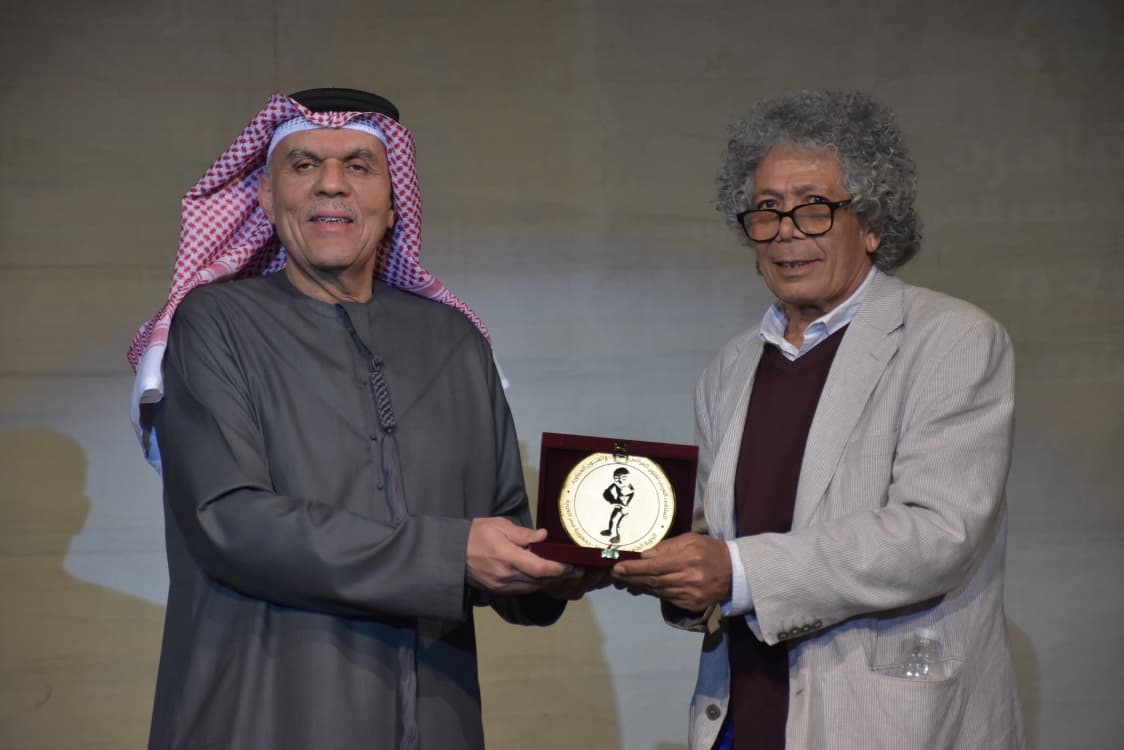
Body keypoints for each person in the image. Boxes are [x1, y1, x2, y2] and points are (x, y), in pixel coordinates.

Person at [127, 88, 599, 750]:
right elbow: (229, 520)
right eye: (303, 164)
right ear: (265, 195)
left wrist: (558, 569)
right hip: (262, 715)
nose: (331, 184)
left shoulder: (454, 343)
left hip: (436, 719)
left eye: (358, 165)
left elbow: (501, 524)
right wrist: (451, 554)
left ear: (392, 197)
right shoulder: (215, 324)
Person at [614, 90, 1024, 749]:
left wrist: (738, 572)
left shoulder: (950, 340)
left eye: (813, 208)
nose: (786, 232)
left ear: (872, 224)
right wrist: (671, 574)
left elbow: (936, 535)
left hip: (885, 724)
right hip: (743, 713)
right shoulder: (728, 369)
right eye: (767, 210)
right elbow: (721, 539)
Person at [600, 467, 636, 543]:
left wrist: (622, 506)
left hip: (626, 508)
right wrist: (612, 501)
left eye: (623, 478)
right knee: (612, 518)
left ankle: (619, 536)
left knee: (620, 523)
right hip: (618, 505)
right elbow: (606, 493)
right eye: (616, 478)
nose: (619, 481)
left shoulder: (629, 489)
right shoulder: (615, 485)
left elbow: (626, 502)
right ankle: (610, 531)